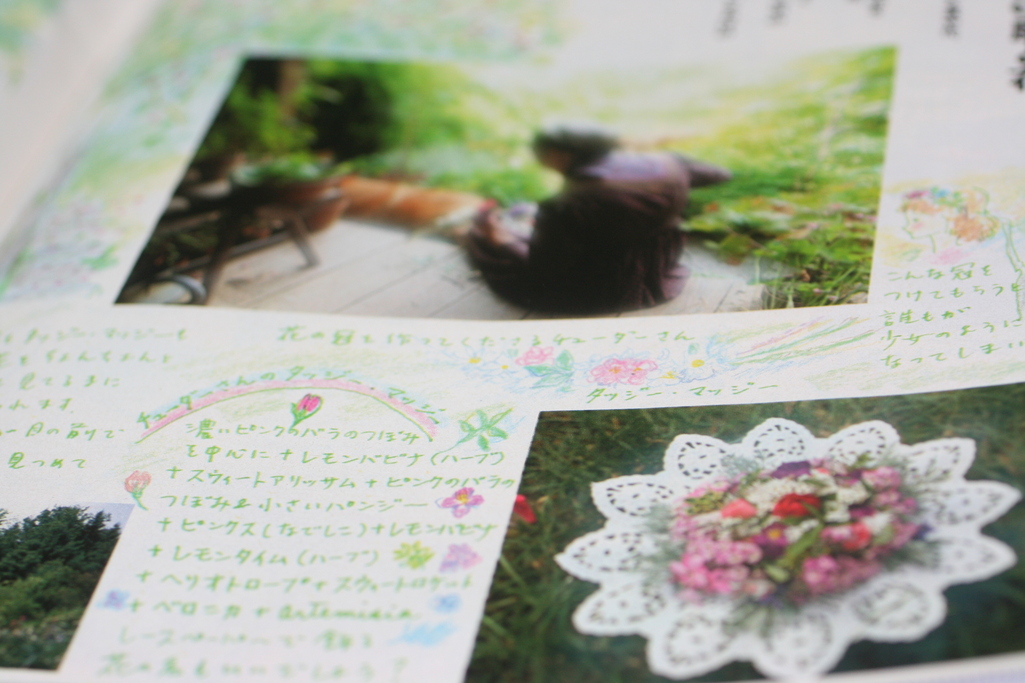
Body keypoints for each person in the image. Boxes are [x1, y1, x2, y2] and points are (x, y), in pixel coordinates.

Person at [466, 125, 732, 315]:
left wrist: (503, 241)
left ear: (559, 155)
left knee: (485, 240)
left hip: (608, 284)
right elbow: (720, 174)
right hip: (660, 260)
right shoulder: (668, 162)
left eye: (541, 154)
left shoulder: (569, 203)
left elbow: (545, 268)